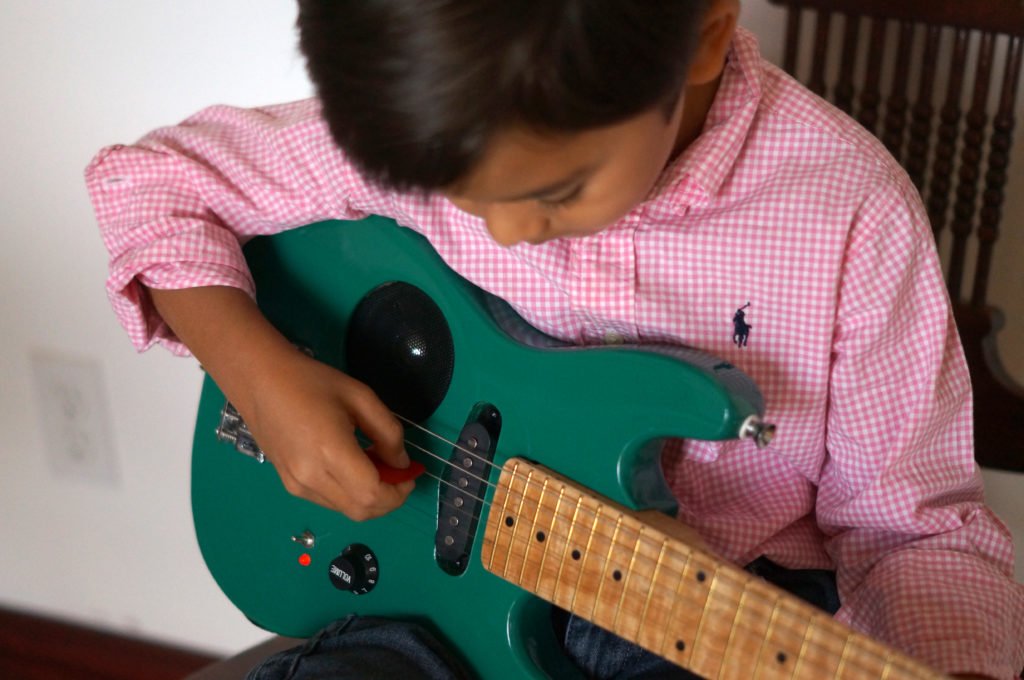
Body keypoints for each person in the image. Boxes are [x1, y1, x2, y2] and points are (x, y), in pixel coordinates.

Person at [85, 1, 1024, 678]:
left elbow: (913, 532)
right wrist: (262, 376)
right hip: (422, 609)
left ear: (699, 33)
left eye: (553, 192)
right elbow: (150, 185)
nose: (503, 235)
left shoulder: (848, 214)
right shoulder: (455, 104)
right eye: (454, 193)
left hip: (713, 618)